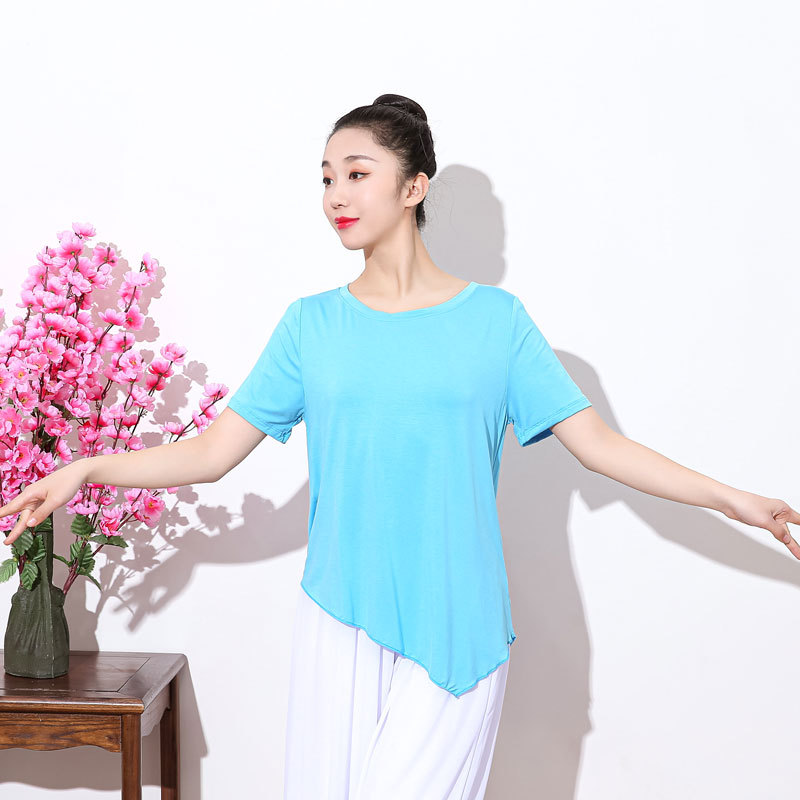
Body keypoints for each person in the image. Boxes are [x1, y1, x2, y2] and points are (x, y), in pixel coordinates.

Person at [2, 93, 799, 800]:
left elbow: (600, 447)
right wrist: (87, 468)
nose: (335, 196)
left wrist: (735, 500)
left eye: (357, 173)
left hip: (459, 620)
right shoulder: (311, 326)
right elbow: (211, 454)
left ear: (414, 187)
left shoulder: (497, 323)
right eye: (326, 177)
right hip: (341, 615)